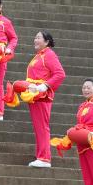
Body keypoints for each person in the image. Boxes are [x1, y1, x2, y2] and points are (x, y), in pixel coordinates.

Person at [20, 31, 66, 168]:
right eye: (35, 37)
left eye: (38, 38)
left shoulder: (49, 54)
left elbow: (60, 74)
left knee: (41, 126)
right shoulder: (40, 55)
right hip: (35, 94)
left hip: (42, 96)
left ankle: (44, 158)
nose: (35, 40)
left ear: (46, 42)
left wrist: (45, 85)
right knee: (38, 126)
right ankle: (41, 156)